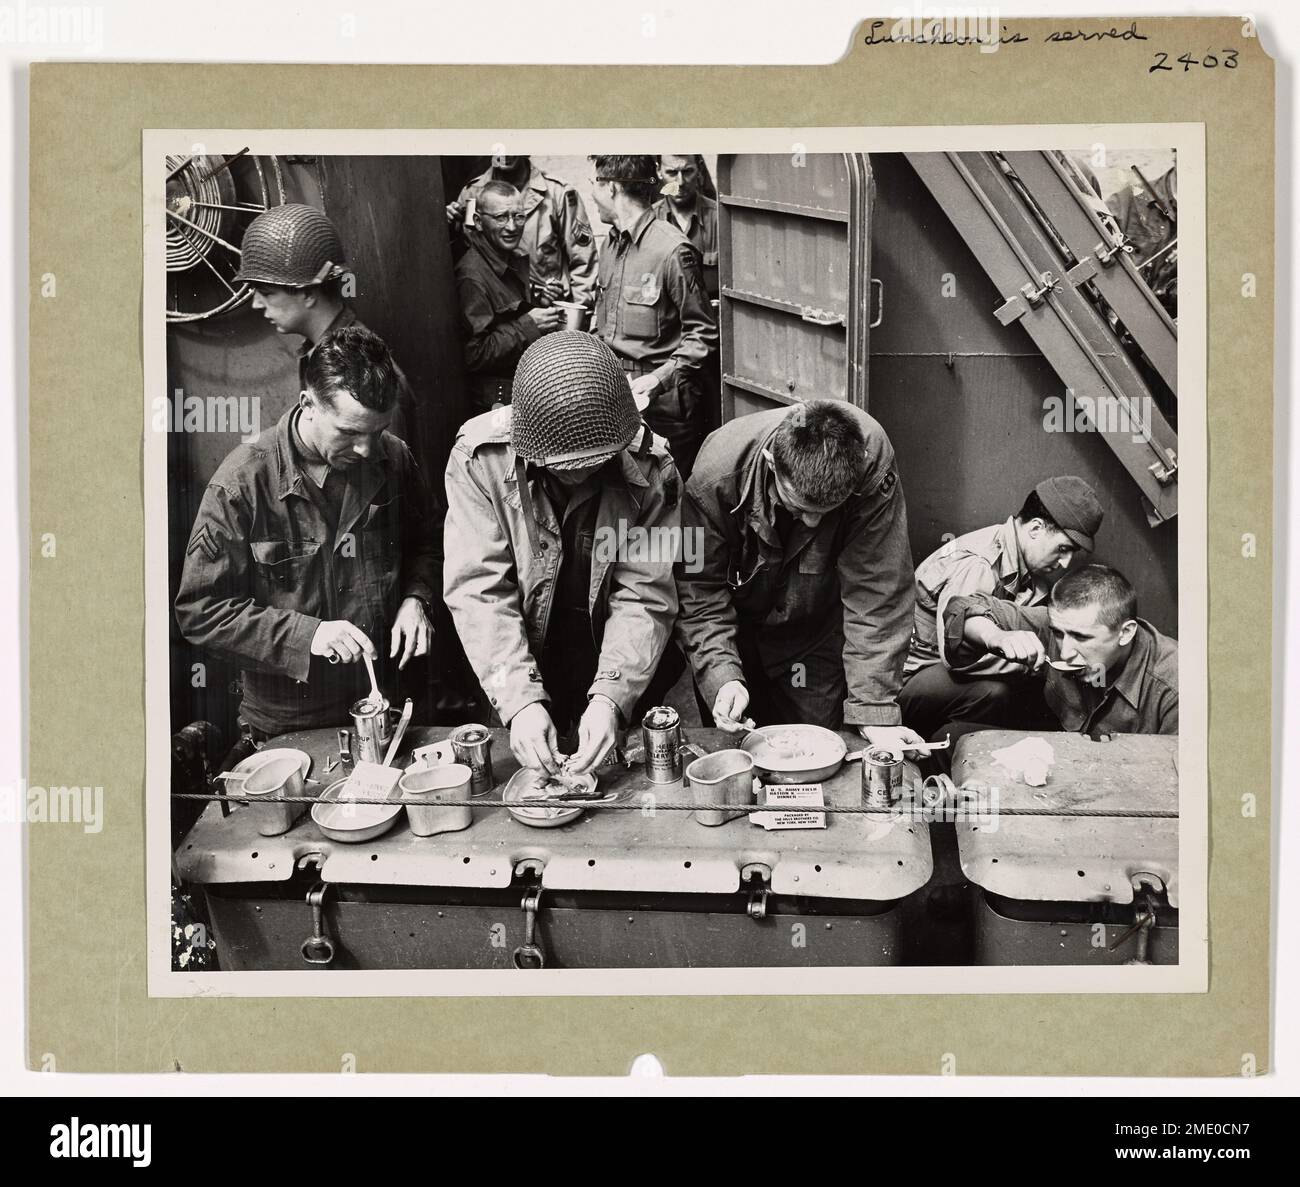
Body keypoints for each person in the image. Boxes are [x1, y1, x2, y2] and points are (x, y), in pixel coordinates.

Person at [175, 326, 442, 739]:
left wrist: (416, 598)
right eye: (350, 433)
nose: (368, 450)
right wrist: (309, 635)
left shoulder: (395, 458)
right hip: (291, 722)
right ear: (308, 404)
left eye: (376, 431)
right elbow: (200, 612)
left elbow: (427, 542)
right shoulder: (242, 484)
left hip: (388, 704)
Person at [443, 332, 681, 776]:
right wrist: (519, 701)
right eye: (566, 467)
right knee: (528, 774)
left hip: (613, 650)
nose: (584, 474)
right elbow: (479, 589)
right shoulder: (480, 460)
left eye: (597, 461)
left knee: (621, 780)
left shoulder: (655, 468)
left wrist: (612, 696)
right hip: (520, 651)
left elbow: (646, 594)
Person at [675, 399, 921, 755]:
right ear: (771, 462)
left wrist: (874, 711)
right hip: (734, 633)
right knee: (737, 752)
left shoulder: (871, 464)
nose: (812, 524)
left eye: (826, 514)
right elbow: (698, 588)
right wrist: (721, 675)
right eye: (799, 508)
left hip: (813, 639)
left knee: (820, 750)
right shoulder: (713, 476)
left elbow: (878, 591)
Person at [898, 476, 1104, 739]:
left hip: (935, 672)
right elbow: (957, 657)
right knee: (998, 693)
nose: (1066, 563)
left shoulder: (1017, 556)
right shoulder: (979, 565)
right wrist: (1036, 665)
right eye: (1063, 549)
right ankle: (941, 752)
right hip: (908, 681)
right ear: (1036, 529)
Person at [932, 564, 1178, 767]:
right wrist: (996, 637)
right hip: (1063, 752)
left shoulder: (1176, 683)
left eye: (1081, 638)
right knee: (951, 741)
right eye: (1058, 634)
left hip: (1126, 781)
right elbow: (962, 607)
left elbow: (1179, 786)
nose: (1066, 651)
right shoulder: (1058, 625)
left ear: (1125, 633)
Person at [235, 202, 416, 442]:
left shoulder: (359, 372)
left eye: (266, 293)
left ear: (309, 293)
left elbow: (381, 470)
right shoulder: (325, 354)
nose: (256, 303)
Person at [589, 153, 718, 478]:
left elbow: (703, 334)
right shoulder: (611, 246)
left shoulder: (673, 250)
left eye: (595, 185)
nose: (593, 194)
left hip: (666, 412)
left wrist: (658, 380)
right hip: (618, 399)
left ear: (613, 188)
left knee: (673, 502)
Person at [454, 180, 563, 412]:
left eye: (519, 216)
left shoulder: (508, 258)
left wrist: (538, 303)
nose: (512, 227)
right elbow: (474, 355)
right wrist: (530, 324)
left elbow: (507, 314)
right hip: (495, 404)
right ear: (478, 222)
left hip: (520, 392)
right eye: (501, 217)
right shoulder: (472, 275)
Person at [447, 156, 598, 309]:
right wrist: (450, 228)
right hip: (499, 312)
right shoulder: (472, 194)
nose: (505, 154)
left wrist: (576, 318)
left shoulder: (556, 193)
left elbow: (584, 262)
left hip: (549, 310)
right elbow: (468, 256)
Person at [654, 154, 719, 300]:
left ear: (699, 169)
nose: (680, 182)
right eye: (671, 173)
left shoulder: (720, 219)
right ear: (659, 171)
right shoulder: (649, 221)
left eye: (687, 171)